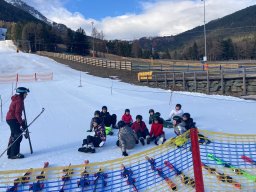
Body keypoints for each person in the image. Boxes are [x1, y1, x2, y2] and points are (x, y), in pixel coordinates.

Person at [6, 87, 30, 159]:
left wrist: (21, 122)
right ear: (22, 94)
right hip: (13, 119)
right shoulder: (19, 100)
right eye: (26, 94)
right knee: (18, 136)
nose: (26, 95)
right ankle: (14, 154)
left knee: (14, 135)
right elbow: (17, 114)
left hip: (10, 119)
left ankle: (10, 152)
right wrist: (22, 123)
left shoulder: (17, 98)